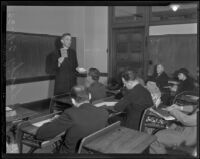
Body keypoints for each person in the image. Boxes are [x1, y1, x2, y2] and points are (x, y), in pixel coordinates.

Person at [35, 85, 109, 153]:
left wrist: (55, 120)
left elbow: (41, 134)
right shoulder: (104, 112)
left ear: (73, 100)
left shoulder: (70, 113)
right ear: (89, 96)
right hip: (90, 151)